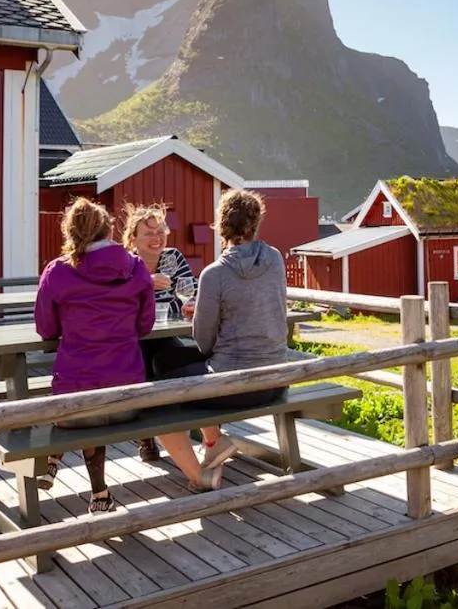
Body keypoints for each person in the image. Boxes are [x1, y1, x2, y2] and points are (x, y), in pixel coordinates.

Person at [150, 188, 290, 491]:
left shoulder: (215, 274)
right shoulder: (275, 259)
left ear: (221, 224)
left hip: (237, 385)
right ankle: (214, 443)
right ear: (255, 223)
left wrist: (199, 316)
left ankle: (200, 474)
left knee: (156, 392)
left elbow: (204, 343)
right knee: (165, 358)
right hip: (277, 378)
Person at [33, 197, 155, 514]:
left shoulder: (57, 272)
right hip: (128, 397)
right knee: (100, 387)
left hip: (75, 403)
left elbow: (45, 329)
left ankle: (64, 467)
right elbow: (146, 325)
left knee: (84, 391)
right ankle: (99, 495)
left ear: (70, 232)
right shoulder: (136, 268)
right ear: (109, 229)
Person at [121, 202, 197, 462]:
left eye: (161, 231)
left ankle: (191, 429)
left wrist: (174, 304)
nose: (157, 238)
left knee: (179, 361)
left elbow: (190, 296)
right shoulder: (125, 264)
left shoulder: (172, 258)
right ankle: (148, 436)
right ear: (133, 238)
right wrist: (144, 285)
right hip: (131, 338)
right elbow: (118, 306)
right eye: (149, 233)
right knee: (143, 366)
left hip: (165, 334)